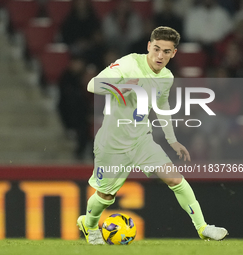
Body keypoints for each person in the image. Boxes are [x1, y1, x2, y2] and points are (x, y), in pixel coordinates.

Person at [77, 26, 228, 244]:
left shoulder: (166, 77)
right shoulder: (129, 63)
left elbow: (161, 105)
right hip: (112, 143)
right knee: (105, 197)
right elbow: (92, 85)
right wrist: (121, 85)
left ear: (173, 53)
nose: (160, 55)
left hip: (141, 140)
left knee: (175, 178)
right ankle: (90, 226)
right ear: (149, 46)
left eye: (166, 51)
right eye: (156, 49)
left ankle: (203, 227)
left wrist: (171, 140)